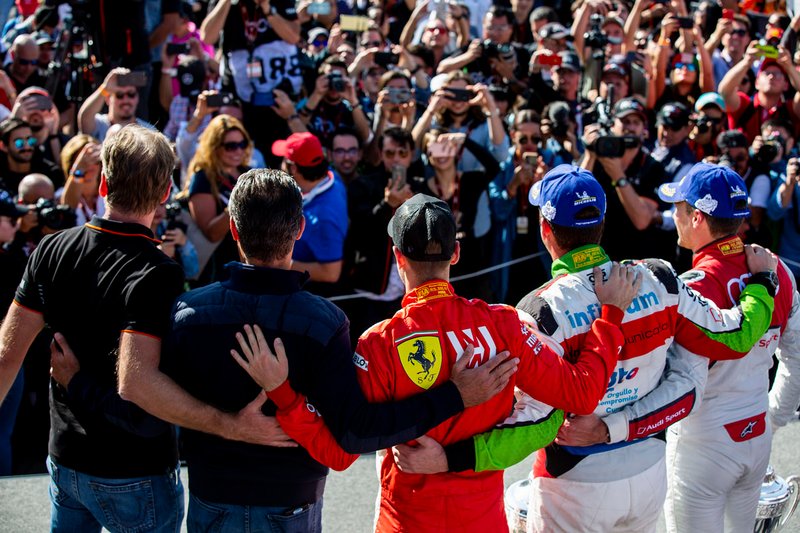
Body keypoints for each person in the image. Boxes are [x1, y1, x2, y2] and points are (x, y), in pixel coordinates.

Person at [392, 165, 778, 533]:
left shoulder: (539, 310)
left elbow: (536, 424)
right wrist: (761, 283)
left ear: (545, 230)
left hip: (575, 479)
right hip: (648, 472)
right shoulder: (658, 277)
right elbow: (736, 336)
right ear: (602, 223)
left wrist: (452, 458)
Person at [235, 191, 641, 532]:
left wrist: (285, 395)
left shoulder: (378, 343)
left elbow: (340, 453)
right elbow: (582, 394)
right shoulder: (504, 324)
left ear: (397, 257)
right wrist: (611, 317)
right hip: (483, 520)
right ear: (457, 252)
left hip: (405, 521)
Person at [161, 169, 524, 531]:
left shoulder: (188, 313)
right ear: (300, 229)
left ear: (234, 229)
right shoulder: (324, 322)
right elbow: (355, 434)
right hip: (292, 502)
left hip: (211, 496)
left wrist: (227, 422)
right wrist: (454, 398)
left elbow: (153, 396)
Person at [0, 125, 282, 531]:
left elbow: (7, 355)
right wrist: (230, 425)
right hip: (132, 471)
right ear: (166, 192)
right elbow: (136, 383)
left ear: (103, 183)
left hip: (65, 460)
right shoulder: (157, 273)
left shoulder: (51, 248)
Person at [658, 164, 800, 533]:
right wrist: (772, 419)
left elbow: (677, 382)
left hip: (702, 443)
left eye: (679, 208)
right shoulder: (775, 269)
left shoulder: (690, 288)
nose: (674, 216)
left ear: (698, 218)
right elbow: (798, 360)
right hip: (756, 434)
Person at [183, 113, 252, 284]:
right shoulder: (203, 178)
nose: (238, 151)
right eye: (230, 146)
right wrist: (239, 202)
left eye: (242, 144)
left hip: (248, 265)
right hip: (217, 271)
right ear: (214, 147)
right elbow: (211, 233)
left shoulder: (247, 172)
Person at [273, 131, 348, 286]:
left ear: (293, 168)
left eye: (283, 159)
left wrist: (277, 263)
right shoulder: (331, 176)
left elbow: (331, 272)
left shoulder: (321, 219)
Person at [77, 68, 156, 142]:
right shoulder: (100, 124)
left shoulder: (148, 131)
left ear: (138, 98)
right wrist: (105, 88)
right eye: (119, 95)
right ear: (108, 99)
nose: (126, 100)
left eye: (131, 94)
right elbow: (84, 117)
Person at [0, 117, 63, 195]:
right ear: (3, 146)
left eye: (30, 141)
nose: (27, 147)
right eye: (19, 142)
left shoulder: (51, 173)